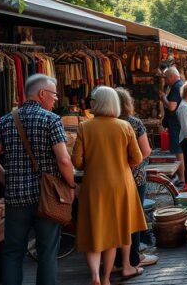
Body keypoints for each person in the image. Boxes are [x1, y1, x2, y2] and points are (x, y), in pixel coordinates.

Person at [0, 74, 75, 285]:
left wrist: (8, 180)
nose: (56, 100)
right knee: (47, 252)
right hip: (48, 197)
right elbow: (63, 159)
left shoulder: (6, 120)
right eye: (54, 95)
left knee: (13, 252)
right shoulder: (51, 120)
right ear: (42, 94)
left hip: (16, 198)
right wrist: (71, 185)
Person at [72, 86, 147, 285]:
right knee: (117, 230)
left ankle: (96, 275)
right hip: (122, 184)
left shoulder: (85, 127)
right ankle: (106, 279)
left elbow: (77, 162)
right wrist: (122, 165)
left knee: (94, 231)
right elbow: (137, 157)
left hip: (94, 185)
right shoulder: (125, 127)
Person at [114, 88, 157, 270]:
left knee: (115, 219)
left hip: (111, 178)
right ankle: (133, 257)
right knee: (134, 218)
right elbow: (146, 151)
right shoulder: (134, 122)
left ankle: (116, 260)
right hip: (135, 177)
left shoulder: (101, 123)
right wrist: (130, 164)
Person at [159, 67, 185, 185]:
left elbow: (171, 107)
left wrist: (163, 97)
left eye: (166, 77)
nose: (165, 80)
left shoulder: (175, 87)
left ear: (171, 76)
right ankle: (182, 177)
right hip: (179, 122)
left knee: (178, 151)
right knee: (180, 151)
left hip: (176, 123)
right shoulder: (181, 84)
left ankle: (181, 179)